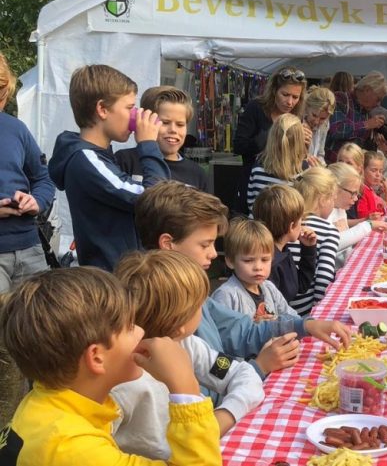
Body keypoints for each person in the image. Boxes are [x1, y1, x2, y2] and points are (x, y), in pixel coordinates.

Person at [0, 267, 221, 465]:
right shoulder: (72, 447)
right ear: (96, 357)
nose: (142, 331)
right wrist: (186, 390)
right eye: (130, 326)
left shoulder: (49, 402)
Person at [134, 180, 351, 381]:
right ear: (168, 244)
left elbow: (240, 333)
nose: (212, 253)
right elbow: (207, 372)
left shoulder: (193, 294)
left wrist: (304, 324)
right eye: (204, 244)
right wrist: (258, 368)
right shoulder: (160, 310)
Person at [111, 250, 263, 458]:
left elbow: (241, 373)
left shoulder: (188, 345)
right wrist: (210, 428)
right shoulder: (122, 382)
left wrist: (222, 417)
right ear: (180, 325)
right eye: (200, 305)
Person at [49, 64, 169, 271]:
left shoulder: (99, 157)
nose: (135, 116)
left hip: (122, 274)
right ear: (102, 109)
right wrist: (149, 144)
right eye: (130, 108)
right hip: (112, 279)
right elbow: (156, 198)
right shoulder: (85, 159)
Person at [0, 51, 56, 426]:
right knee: (4, 349)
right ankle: (7, 435)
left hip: (30, 245)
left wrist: (37, 200)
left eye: (2, 87)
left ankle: (43, 425)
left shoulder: (15, 128)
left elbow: (43, 177)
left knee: (44, 336)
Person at [234, 67, 308, 214]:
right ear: (274, 91)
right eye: (285, 95)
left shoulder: (296, 116)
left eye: (295, 97)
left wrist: (303, 144)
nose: (290, 102)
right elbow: (239, 146)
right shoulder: (255, 108)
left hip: (284, 188)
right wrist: (275, 135)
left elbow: (295, 156)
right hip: (253, 184)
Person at [116, 86, 210, 192]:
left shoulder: (197, 173)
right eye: (165, 123)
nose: (173, 130)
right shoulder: (125, 160)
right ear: (146, 120)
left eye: (180, 124)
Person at [213, 218, 301, 322]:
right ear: (230, 261)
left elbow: (291, 316)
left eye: (264, 260)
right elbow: (222, 333)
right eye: (248, 260)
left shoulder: (269, 288)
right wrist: (254, 327)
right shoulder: (226, 296)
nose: (258, 267)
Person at [251, 184, 318, 306]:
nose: (303, 224)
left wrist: (308, 249)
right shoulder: (271, 262)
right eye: (301, 219)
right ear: (291, 226)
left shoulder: (282, 251)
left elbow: (300, 285)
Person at [288, 167, 341, 316]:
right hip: (304, 311)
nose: (333, 205)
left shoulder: (288, 224)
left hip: (278, 306)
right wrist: (320, 313)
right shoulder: (329, 230)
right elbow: (324, 279)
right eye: (333, 199)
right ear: (323, 199)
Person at [327, 162, 387, 268]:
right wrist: (368, 225)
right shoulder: (325, 213)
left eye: (357, 194)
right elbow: (333, 243)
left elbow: (346, 246)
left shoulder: (340, 209)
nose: (356, 199)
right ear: (336, 189)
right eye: (353, 193)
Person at [246, 113, 308, 211]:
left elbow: (250, 203)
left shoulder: (257, 168)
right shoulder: (304, 172)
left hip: (259, 224)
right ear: (300, 140)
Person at [325, 71, 387, 162]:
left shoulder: (366, 112)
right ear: (367, 90)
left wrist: (376, 141)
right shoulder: (341, 99)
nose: (378, 104)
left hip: (353, 167)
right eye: (378, 99)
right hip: (335, 166)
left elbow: (362, 146)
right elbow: (336, 130)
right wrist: (366, 125)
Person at [304, 86, 336, 163]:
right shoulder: (296, 122)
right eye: (314, 115)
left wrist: (322, 166)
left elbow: (320, 153)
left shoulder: (325, 125)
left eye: (322, 118)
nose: (316, 122)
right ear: (307, 107)